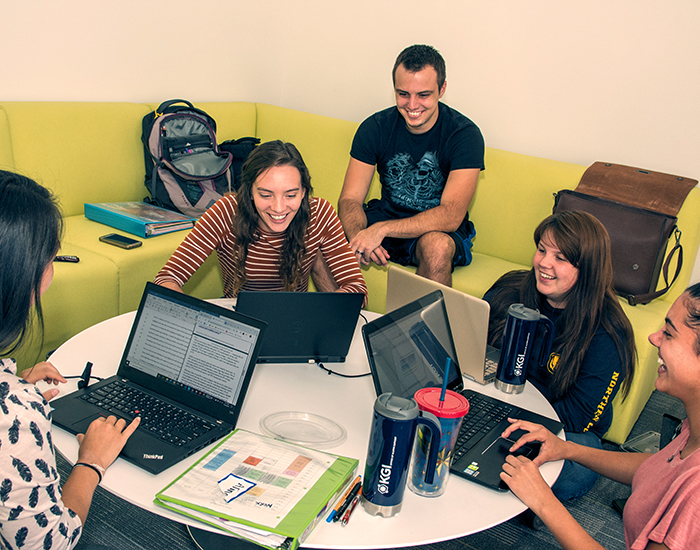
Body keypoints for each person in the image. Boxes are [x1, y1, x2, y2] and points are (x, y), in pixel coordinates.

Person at [501, 282, 700, 550]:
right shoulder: (692, 426)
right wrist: (567, 449)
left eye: (669, 333)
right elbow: (661, 468)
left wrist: (543, 501)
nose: (654, 337)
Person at [0, 170, 140, 550]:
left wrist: (14, 385)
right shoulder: (14, 414)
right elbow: (48, 543)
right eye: (50, 257)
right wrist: (91, 462)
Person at [484, 210, 637, 501]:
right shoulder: (509, 289)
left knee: (574, 471)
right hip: (495, 401)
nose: (544, 262)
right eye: (542, 250)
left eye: (561, 258)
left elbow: (577, 416)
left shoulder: (608, 331)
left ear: (588, 269)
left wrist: (508, 423)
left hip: (564, 429)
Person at [335, 44, 485, 287]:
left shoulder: (464, 135)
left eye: (423, 95)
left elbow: (450, 216)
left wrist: (381, 230)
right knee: (321, 231)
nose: (412, 105)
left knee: (437, 246)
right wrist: (359, 238)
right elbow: (350, 199)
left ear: (442, 89)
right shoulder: (375, 127)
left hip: (434, 230)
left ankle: (422, 317)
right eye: (403, 94)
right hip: (386, 215)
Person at [154, 140, 368, 304]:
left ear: (304, 192)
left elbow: (357, 289)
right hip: (239, 325)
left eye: (290, 195)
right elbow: (166, 279)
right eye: (266, 195)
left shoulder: (320, 214)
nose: (278, 208)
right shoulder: (226, 212)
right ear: (249, 192)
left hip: (295, 323)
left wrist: (314, 313)